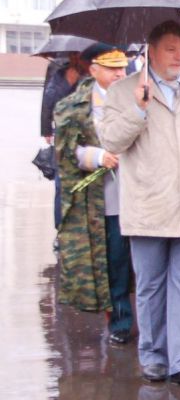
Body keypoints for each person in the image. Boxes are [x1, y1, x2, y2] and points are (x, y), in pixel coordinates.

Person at [99, 20, 180, 389]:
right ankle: (154, 356)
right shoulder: (125, 91)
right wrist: (139, 110)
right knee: (150, 285)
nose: (179, 56)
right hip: (147, 206)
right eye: (171, 49)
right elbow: (112, 140)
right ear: (151, 51)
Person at [53, 43, 134, 344]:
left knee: (142, 263)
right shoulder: (74, 107)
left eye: (123, 67)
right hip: (106, 200)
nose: (119, 74)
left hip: (142, 195)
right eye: (112, 68)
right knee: (114, 262)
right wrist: (98, 157)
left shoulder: (138, 98)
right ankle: (121, 322)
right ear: (94, 69)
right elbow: (65, 153)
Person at [43, 53, 87, 231]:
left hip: (83, 139)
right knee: (62, 186)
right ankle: (60, 227)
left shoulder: (89, 76)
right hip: (63, 137)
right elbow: (47, 102)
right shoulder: (58, 71)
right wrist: (45, 128)